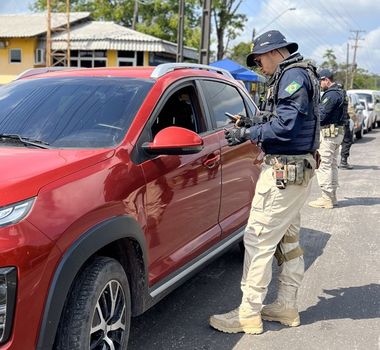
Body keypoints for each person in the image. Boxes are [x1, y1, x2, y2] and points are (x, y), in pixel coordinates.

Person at [209, 30, 320, 334]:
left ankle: (248, 313)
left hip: (284, 174)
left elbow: (285, 127)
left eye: (259, 59)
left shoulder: (292, 76)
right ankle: (286, 306)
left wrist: (246, 135)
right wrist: (249, 122)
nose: (259, 66)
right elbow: (278, 117)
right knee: (289, 240)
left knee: (257, 240)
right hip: (295, 173)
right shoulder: (294, 73)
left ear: (274, 52)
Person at [308, 69, 346, 209]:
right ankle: (332, 197)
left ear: (326, 80)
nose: (319, 84)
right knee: (332, 165)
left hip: (329, 134)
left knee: (323, 165)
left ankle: (326, 198)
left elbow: (322, 115)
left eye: (320, 81)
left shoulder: (331, 94)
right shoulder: (341, 92)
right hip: (337, 133)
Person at [340, 95, 355, 169]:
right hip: (344, 123)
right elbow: (350, 111)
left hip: (334, 124)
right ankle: (343, 161)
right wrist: (355, 120)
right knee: (347, 141)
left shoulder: (326, 94)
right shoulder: (343, 96)